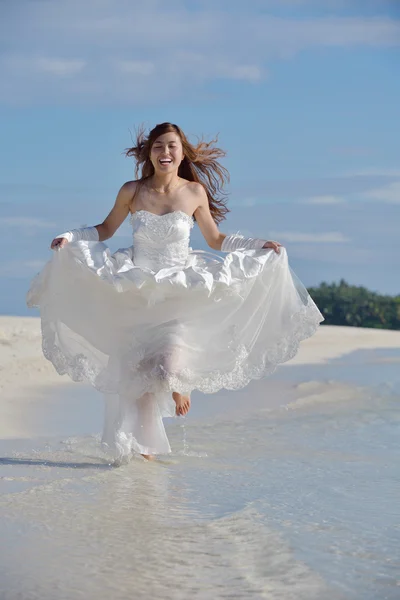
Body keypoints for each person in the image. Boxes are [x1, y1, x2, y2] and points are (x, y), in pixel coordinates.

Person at [27, 122, 324, 463]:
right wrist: (70, 237)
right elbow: (106, 230)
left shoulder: (194, 192)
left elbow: (216, 240)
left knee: (166, 367)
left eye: (171, 146)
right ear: (149, 152)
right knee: (136, 375)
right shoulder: (132, 190)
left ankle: (180, 383)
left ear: (182, 153)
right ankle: (145, 453)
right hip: (136, 289)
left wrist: (259, 245)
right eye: (158, 146)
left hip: (179, 288)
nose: (165, 152)